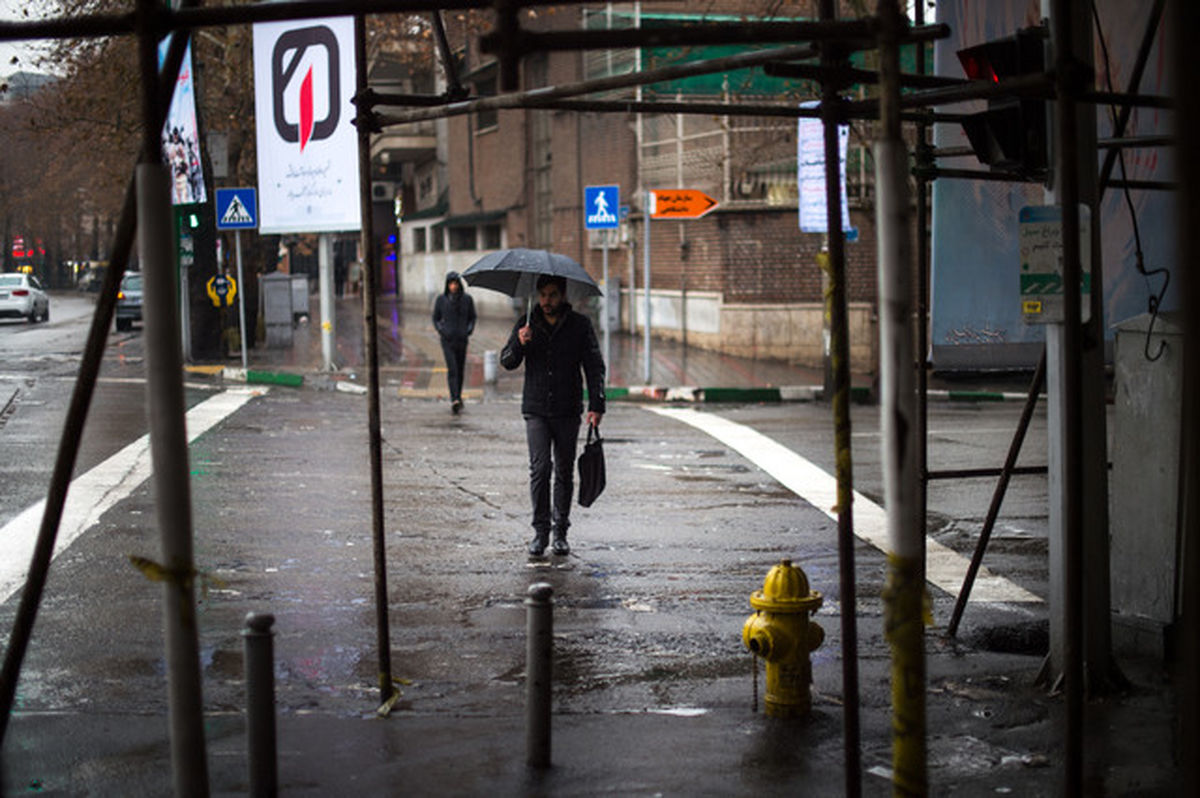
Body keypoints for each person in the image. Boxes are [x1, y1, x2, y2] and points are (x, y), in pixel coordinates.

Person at [501, 274, 605, 557]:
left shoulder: (580, 325)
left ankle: (560, 532)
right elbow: (507, 361)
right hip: (535, 408)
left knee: (564, 470)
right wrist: (519, 343)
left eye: (553, 295)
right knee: (540, 468)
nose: (547, 301)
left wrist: (597, 405)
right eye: (543, 295)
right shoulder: (526, 323)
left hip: (567, 408)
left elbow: (594, 365)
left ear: (563, 296)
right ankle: (540, 532)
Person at [432, 271, 476, 414]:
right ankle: (454, 398)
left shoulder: (467, 300)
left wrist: (468, 330)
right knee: (453, 369)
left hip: (462, 339)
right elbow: (435, 317)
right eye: (451, 284)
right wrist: (441, 330)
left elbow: (472, 317)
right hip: (447, 340)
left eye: (455, 283)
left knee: (460, 368)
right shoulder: (441, 300)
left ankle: (458, 395)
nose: (453, 286)